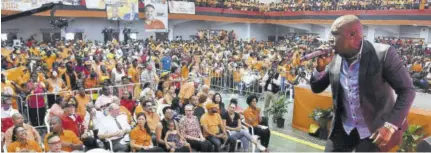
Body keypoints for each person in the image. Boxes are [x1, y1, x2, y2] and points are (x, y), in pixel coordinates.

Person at [310, 15, 415, 152]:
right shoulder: (334, 57)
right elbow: (316, 88)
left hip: (375, 129)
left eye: (335, 34)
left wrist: (389, 126)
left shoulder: (383, 54)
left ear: (352, 35)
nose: (329, 38)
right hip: (344, 128)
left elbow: (407, 90)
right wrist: (320, 69)